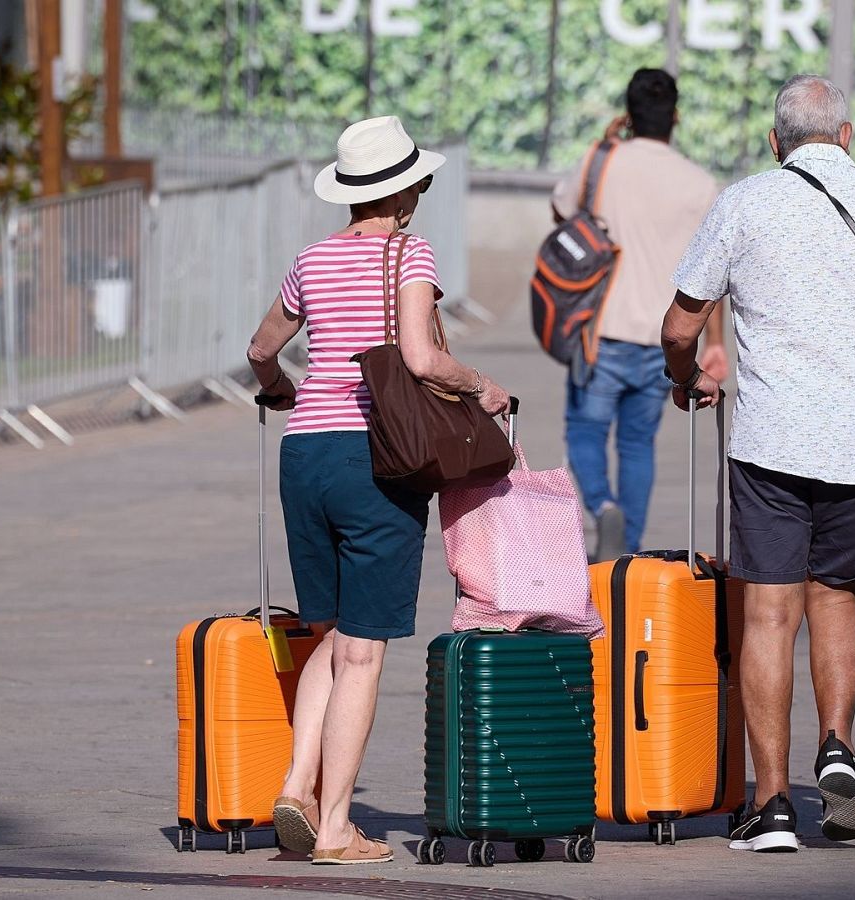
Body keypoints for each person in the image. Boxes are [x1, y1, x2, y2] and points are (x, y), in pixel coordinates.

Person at [660, 75, 855, 852]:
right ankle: (836, 746)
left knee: (766, 614)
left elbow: (679, 324)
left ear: (774, 141)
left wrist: (684, 378)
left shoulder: (744, 202)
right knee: (837, 599)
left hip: (771, 441)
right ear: (848, 136)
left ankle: (771, 805)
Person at [246, 116, 511, 865]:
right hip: (376, 461)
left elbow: (262, 348)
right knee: (363, 653)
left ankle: (298, 789)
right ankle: (334, 829)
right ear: (407, 191)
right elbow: (423, 361)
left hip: (304, 457)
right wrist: (483, 386)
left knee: (330, 637)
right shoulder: (411, 252)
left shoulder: (311, 260)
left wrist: (279, 390)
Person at [551, 68, 723, 561]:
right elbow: (712, 276)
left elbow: (563, 216)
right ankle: (626, 554)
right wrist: (714, 343)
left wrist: (604, 149)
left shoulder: (599, 163)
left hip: (598, 330)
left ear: (626, 114)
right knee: (637, 444)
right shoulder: (698, 183)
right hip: (663, 336)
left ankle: (603, 506)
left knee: (584, 430)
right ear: (676, 116)